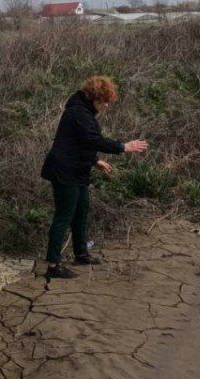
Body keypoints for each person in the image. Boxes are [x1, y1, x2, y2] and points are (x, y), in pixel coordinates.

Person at [40, 76, 147, 279]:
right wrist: (123, 146)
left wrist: (94, 160)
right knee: (63, 217)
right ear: (94, 97)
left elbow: (79, 142)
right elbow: (93, 139)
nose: (106, 105)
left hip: (77, 170)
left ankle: (81, 254)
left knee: (81, 211)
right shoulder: (78, 112)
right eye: (104, 101)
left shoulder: (83, 110)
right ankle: (53, 265)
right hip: (65, 171)